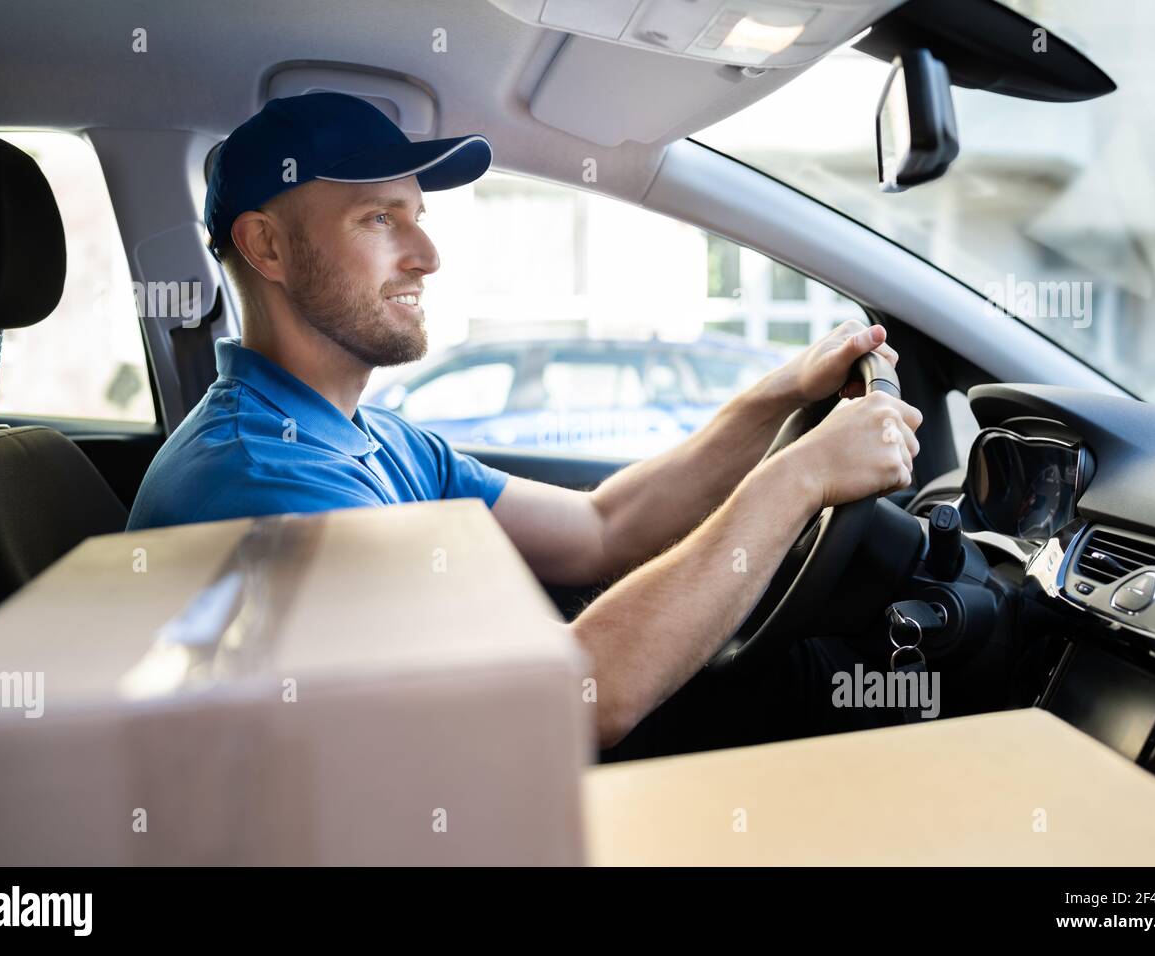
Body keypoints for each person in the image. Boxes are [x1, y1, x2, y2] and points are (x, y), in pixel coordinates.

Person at [129, 92, 923, 749]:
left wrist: (779, 395)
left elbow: (603, 527)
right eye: (379, 219)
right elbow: (576, 699)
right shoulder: (262, 480)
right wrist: (803, 476)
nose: (426, 253)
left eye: (417, 213)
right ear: (265, 245)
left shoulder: (366, 434)